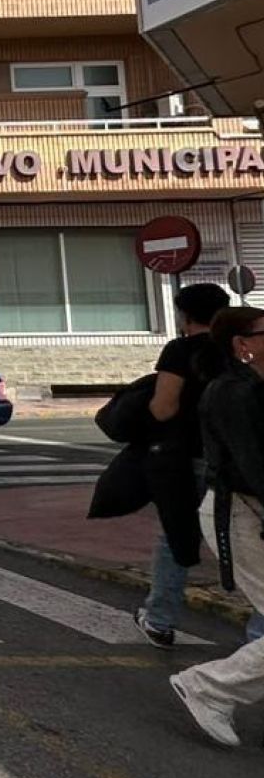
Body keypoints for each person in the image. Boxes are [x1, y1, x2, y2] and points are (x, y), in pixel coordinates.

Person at [170, 306, 264, 746]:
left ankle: (212, 688)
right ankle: (208, 687)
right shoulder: (232, 393)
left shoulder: (254, 387)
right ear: (243, 345)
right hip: (242, 515)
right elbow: (254, 467)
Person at [134, 283, 230, 647]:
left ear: (185, 316)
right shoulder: (241, 348)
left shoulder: (180, 350)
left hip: (188, 457)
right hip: (238, 458)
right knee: (246, 538)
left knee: (176, 535)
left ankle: (160, 620)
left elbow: (164, 408)